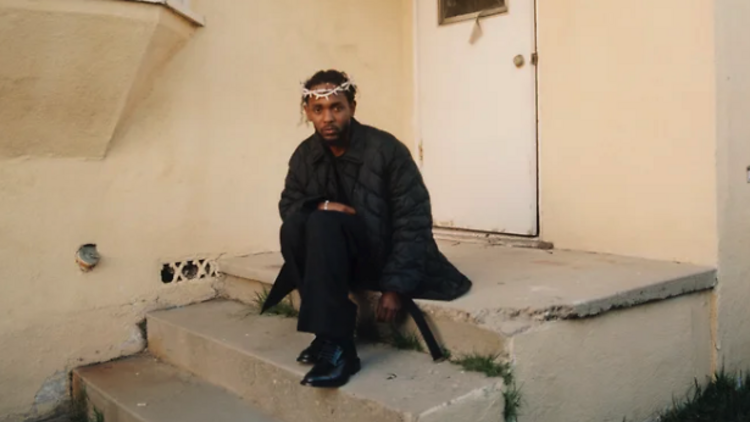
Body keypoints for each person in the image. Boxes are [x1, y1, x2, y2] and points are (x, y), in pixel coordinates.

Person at [262, 70, 471, 388]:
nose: (328, 117)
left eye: (337, 107)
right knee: (296, 226)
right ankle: (333, 338)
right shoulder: (305, 156)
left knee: (319, 222)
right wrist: (325, 205)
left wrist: (394, 286)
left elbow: (412, 219)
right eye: (318, 110)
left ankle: (338, 347)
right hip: (339, 258)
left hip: (382, 257)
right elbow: (289, 204)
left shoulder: (386, 150)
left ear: (352, 108)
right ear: (307, 112)